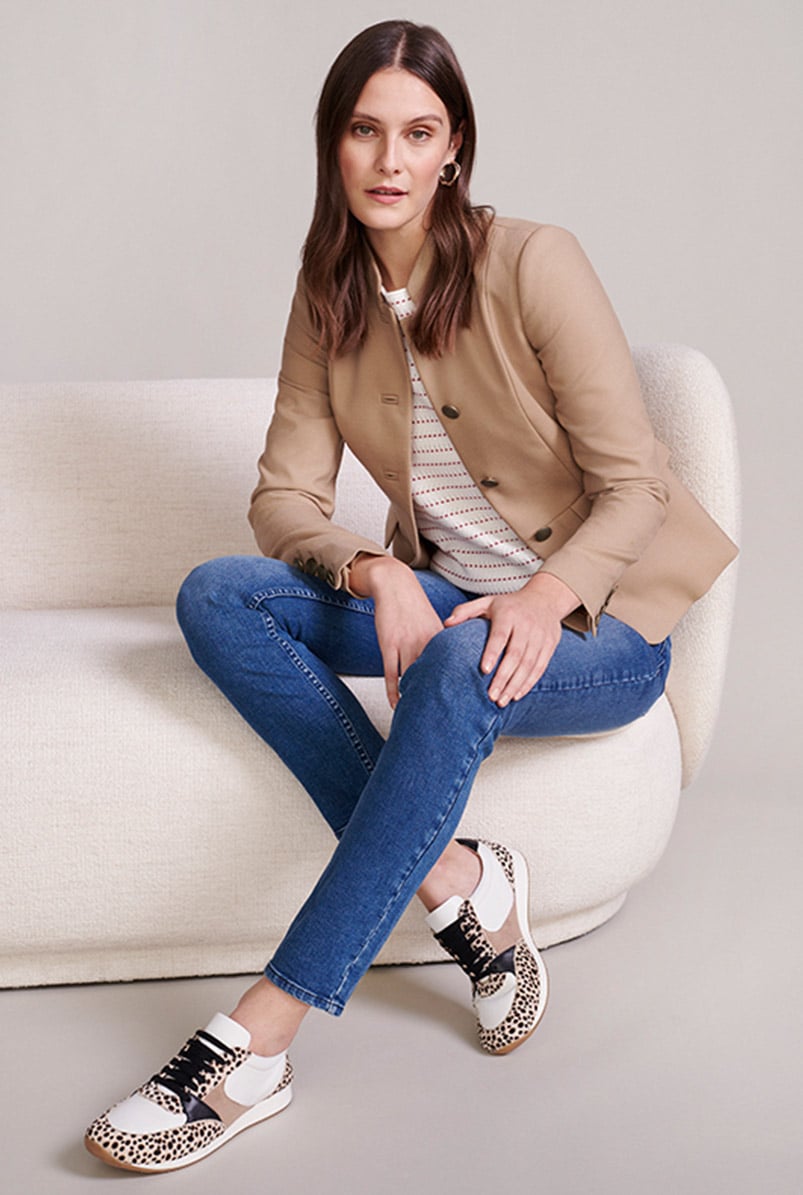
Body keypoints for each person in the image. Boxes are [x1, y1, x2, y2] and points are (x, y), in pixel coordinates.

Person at [84, 19, 737, 1174]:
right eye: (364, 130)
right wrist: (378, 570)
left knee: (448, 663)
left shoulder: (533, 259)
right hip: (441, 596)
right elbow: (280, 497)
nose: (390, 159)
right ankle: (460, 883)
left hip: (603, 625)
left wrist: (539, 600)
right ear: (333, 148)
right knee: (219, 597)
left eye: (418, 133)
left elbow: (634, 485)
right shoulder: (326, 290)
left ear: (453, 150)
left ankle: (257, 1040)